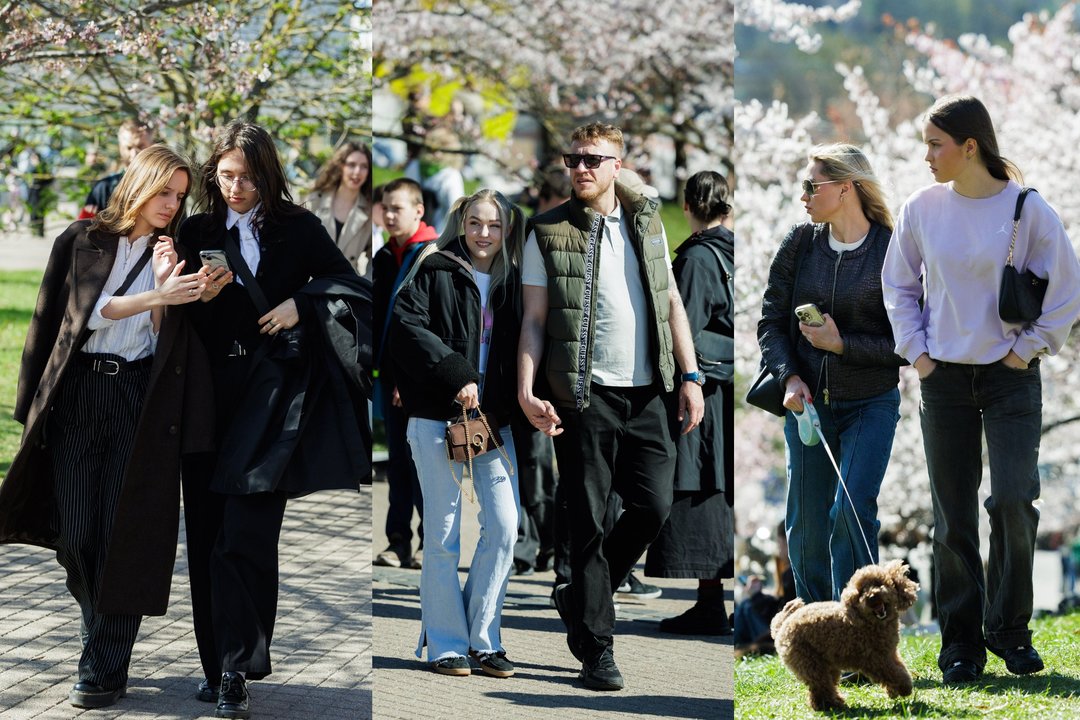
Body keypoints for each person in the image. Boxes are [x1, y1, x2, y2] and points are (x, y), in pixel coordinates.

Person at [0, 144, 211, 709]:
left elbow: (162, 333)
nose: (171, 204)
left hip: (137, 398)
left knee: (125, 533)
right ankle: (100, 631)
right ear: (139, 184)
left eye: (179, 196)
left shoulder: (178, 250)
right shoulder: (81, 239)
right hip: (77, 393)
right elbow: (71, 317)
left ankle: (103, 667)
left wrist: (170, 292)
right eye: (164, 191)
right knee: (76, 529)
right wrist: (30, 411)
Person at [882, 95, 1080, 685]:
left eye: (935, 145)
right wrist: (916, 354)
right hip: (941, 378)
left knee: (1015, 500)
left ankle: (1009, 633)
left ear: (970, 146)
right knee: (953, 517)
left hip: (1011, 378)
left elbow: (1068, 289)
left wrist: (1029, 347)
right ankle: (960, 645)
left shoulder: (1027, 208)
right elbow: (898, 286)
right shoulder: (921, 207)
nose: (925, 157)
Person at [178, 119, 367, 719]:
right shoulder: (196, 230)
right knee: (208, 535)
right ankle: (216, 666)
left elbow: (349, 282)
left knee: (249, 536)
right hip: (208, 398)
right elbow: (172, 309)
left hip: (272, 399)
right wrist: (196, 294)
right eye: (225, 176)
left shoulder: (298, 227)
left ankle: (238, 668)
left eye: (247, 177)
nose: (235, 187)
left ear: (267, 174)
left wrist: (299, 305)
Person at [518, 122, 705, 691]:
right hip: (582, 394)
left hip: (650, 390)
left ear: (617, 166)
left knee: (654, 506)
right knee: (590, 525)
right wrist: (528, 390)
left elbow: (670, 297)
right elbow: (532, 320)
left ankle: (579, 593)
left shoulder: (648, 223)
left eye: (594, 159)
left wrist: (691, 375)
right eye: (574, 159)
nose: (581, 168)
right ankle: (597, 648)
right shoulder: (545, 231)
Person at [757, 143, 903, 606]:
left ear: (845, 188)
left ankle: (865, 624)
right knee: (804, 524)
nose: (803, 196)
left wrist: (842, 345)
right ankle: (819, 628)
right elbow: (771, 322)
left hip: (871, 404)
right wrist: (788, 377)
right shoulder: (800, 243)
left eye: (811, 186)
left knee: (851, 511)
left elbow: (909, 341)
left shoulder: (892, 250)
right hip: (807, 407)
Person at [390, 189, 526, 678]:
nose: (483, 233)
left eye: (493, 225)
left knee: (506, 528)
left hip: (492, 423)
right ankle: (447, 644)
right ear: (461, 223)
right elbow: (405, 329)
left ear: (507, 229)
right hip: (435, 418)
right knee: (443, 536)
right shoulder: (435, 266)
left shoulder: (516, 279)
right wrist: (456, 372)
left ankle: (483, 638)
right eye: (474, 223)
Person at [645, 170, 735, 635]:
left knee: (701, 487)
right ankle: (711, 603)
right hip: (726, 387)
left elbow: (682, 325)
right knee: (716, 487)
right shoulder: (732, 252)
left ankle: (710, 604)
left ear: (687, 207)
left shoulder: (699, 258)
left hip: (701, 388)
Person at [372, 178, 438, 569]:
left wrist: (410, 378)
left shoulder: (432, 256)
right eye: (386, 208)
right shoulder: (385, 256)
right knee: (398, 463)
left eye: (398, 208)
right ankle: (398, 540)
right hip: (388, 376)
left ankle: (429, 543)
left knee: (424, 467)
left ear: (419, 210)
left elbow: (426, 327)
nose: (390, 215)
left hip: (418, 381)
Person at [306, 141, 373, 277]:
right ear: (341, 166)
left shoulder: (370, 211)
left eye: (364, 166)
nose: (357, 172)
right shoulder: (314, 200)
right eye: (352, 165)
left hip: (349, 286)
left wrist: (365, 284)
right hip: (311, 285)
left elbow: (375, 256)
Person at [79, 119, 155, 219]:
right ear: (120, 147)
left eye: (140, 147)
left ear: (152, 146)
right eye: (128, 148)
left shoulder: (165, 185)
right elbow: (85, 228)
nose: (134, 154)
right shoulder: (104, 188)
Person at [404, 126, 466, 233]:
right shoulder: (451, 175)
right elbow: (458, 211)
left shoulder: (414, 166)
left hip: (412, 231)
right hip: (438, 235)